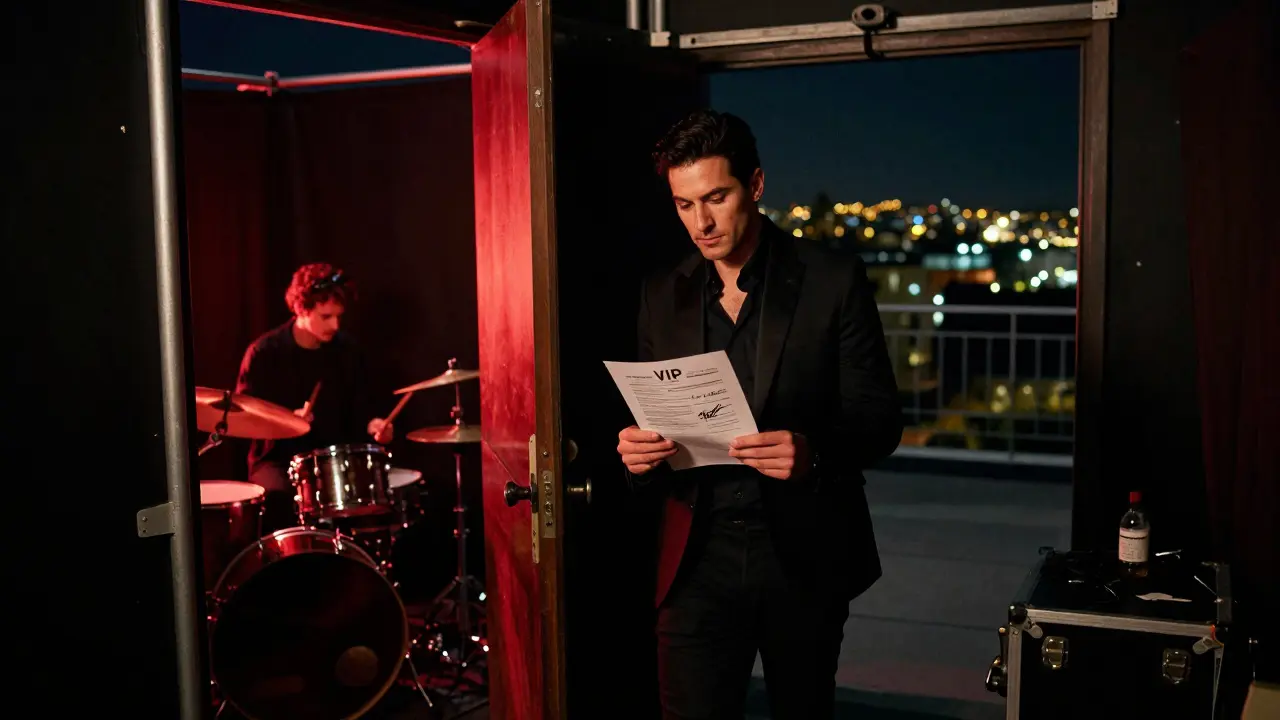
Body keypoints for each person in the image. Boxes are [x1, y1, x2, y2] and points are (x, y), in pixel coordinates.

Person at [615, 109, 902, 719]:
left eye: (716, 197)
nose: (701, 222)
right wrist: (638, 457)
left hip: (802, 554)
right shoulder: (661, 292)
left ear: (757, 184)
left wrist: (814, 453)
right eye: (684, 204)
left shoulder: (832, 280)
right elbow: (654, 417)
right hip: (695, 560)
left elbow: (880, 418)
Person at [236, 262, 394, 532]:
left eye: (339, 317)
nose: (335, 325)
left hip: (333, 459)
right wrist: (286, 422)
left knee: (372, 498)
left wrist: (376, 427)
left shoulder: (347, 351)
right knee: (278, 500)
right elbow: (243, 416)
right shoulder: (264, 353)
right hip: (278, 460)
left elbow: (362, 410)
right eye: (326, 316)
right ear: (301, 309)